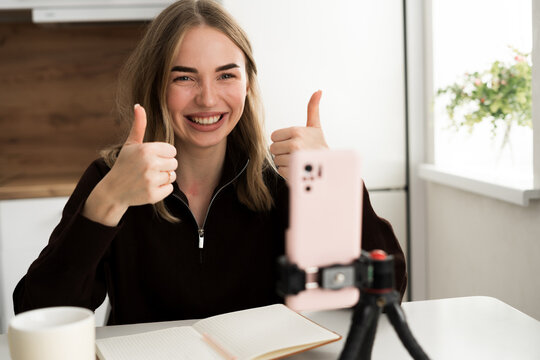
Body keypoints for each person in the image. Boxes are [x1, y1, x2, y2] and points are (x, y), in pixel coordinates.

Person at [13, 0, 406, 325]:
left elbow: (387, 297)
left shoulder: (282, 181)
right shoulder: (114, 179)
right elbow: (36, 315)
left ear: (247, 83)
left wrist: (336, 185)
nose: (207, 99)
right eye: (184, 78)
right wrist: (106, 203)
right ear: (156, 85)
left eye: (225, 76)